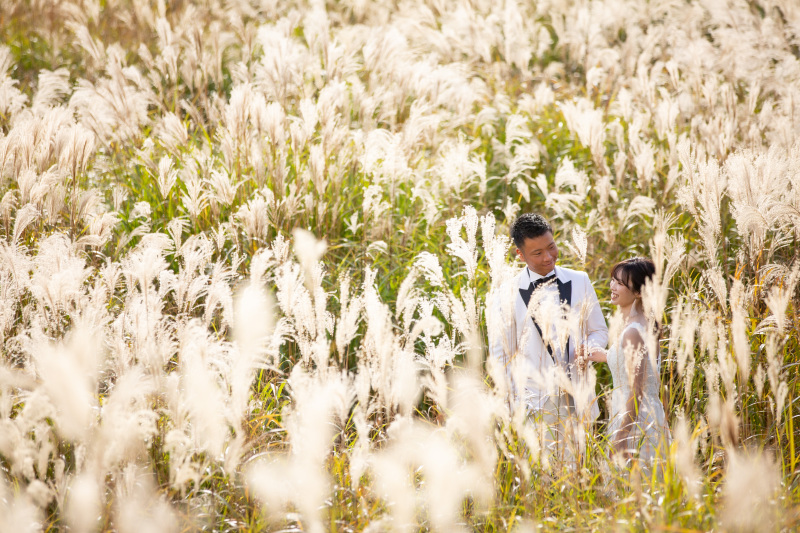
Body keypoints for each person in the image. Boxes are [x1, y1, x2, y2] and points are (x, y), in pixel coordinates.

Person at [488, 213, 608, 463]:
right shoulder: (504, 294)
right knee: (542, 479)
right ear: (520, 255)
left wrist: (589, 349)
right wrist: (516, 403)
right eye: (537, 253)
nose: (548, 257)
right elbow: (501, 355)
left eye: (551, 247)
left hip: (579, 397)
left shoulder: (580, 280)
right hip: (533, 404)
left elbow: (599, 330)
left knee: (581, 472)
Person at [584, 257, 671, 464]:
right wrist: (605, 356)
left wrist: (623, 435)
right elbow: (642, 368)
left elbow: (637, 390)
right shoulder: (642, 324)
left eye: (621, 283)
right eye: (613, 280)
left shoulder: (633, 332)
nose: (613, 286)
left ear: (639, 292)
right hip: (639, 416)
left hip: (636, 422)